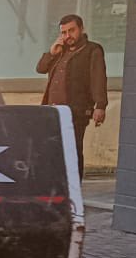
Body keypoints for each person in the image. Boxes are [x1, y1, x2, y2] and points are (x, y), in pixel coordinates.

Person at [38, 13, 108, 173]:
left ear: (81, 29)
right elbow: (41, 68)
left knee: (73, 151)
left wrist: (100, 105)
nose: (67, 36)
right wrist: (51, 53)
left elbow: (98, 78)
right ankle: (57, 183)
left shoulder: (92, 50)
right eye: (63, 32)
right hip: (52, 111)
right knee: (52, 150)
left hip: (76, 111)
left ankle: (74, 185)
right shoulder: (59, 51)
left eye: (71, 30)